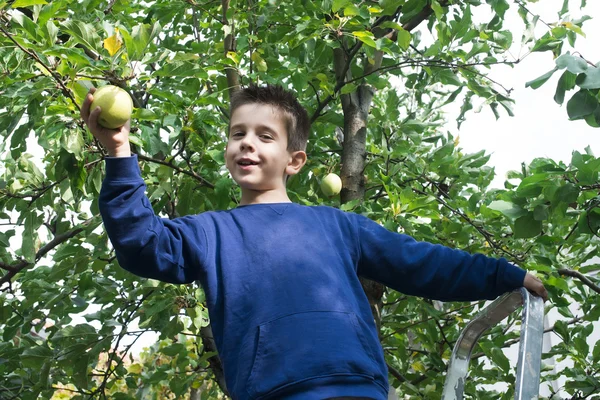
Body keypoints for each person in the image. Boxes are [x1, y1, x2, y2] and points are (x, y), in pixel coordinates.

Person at [81, 83, 548, 400]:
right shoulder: (210, 232)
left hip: (356, 385)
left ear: (295, 159)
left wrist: (505, 275)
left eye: (265, 136)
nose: (247, 143)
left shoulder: (336, 226)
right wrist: (119, 152)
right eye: (237, 134)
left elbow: (420, 262)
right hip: (273, 389)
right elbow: (141, 242)